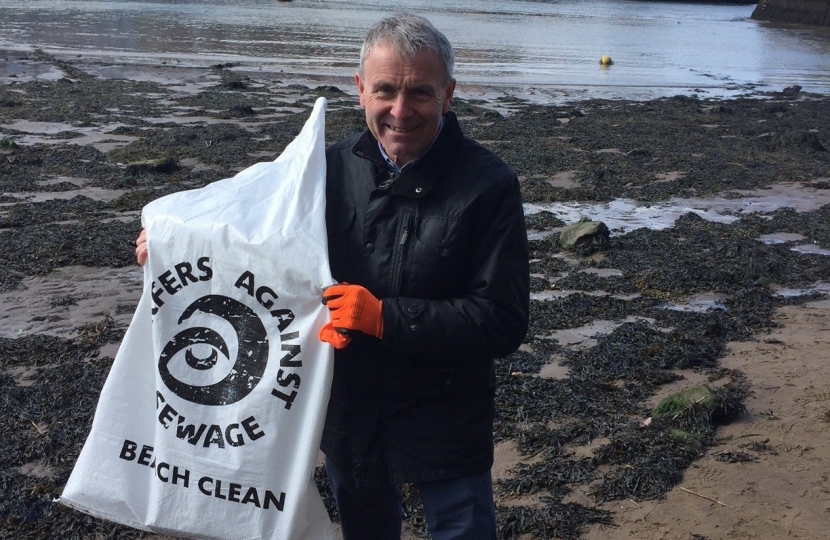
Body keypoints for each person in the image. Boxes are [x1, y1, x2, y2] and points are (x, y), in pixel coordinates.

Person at [137, 13, 529, 540]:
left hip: (448, 416)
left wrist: (383, 317)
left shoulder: (489, 186)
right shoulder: (324, 170)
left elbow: (501, 321)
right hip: (349, 411)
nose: (400, 110)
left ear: (449, 94)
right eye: (386, 90)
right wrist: (172, 244)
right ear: (360, 88)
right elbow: (256, 243)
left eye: (420, 93)